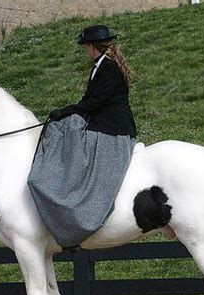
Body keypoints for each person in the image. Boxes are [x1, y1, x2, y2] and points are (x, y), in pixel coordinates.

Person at [28, 25, 137, 248]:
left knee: (72, 132)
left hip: (112, 128)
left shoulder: (109, 68)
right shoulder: (100, 65)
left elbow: (94, 102)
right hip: (101, 121)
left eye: (86, 47)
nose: (86, 51)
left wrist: (67, 111)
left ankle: (76, 199)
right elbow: (91, 100)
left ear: (91, 46)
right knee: (68, 126)